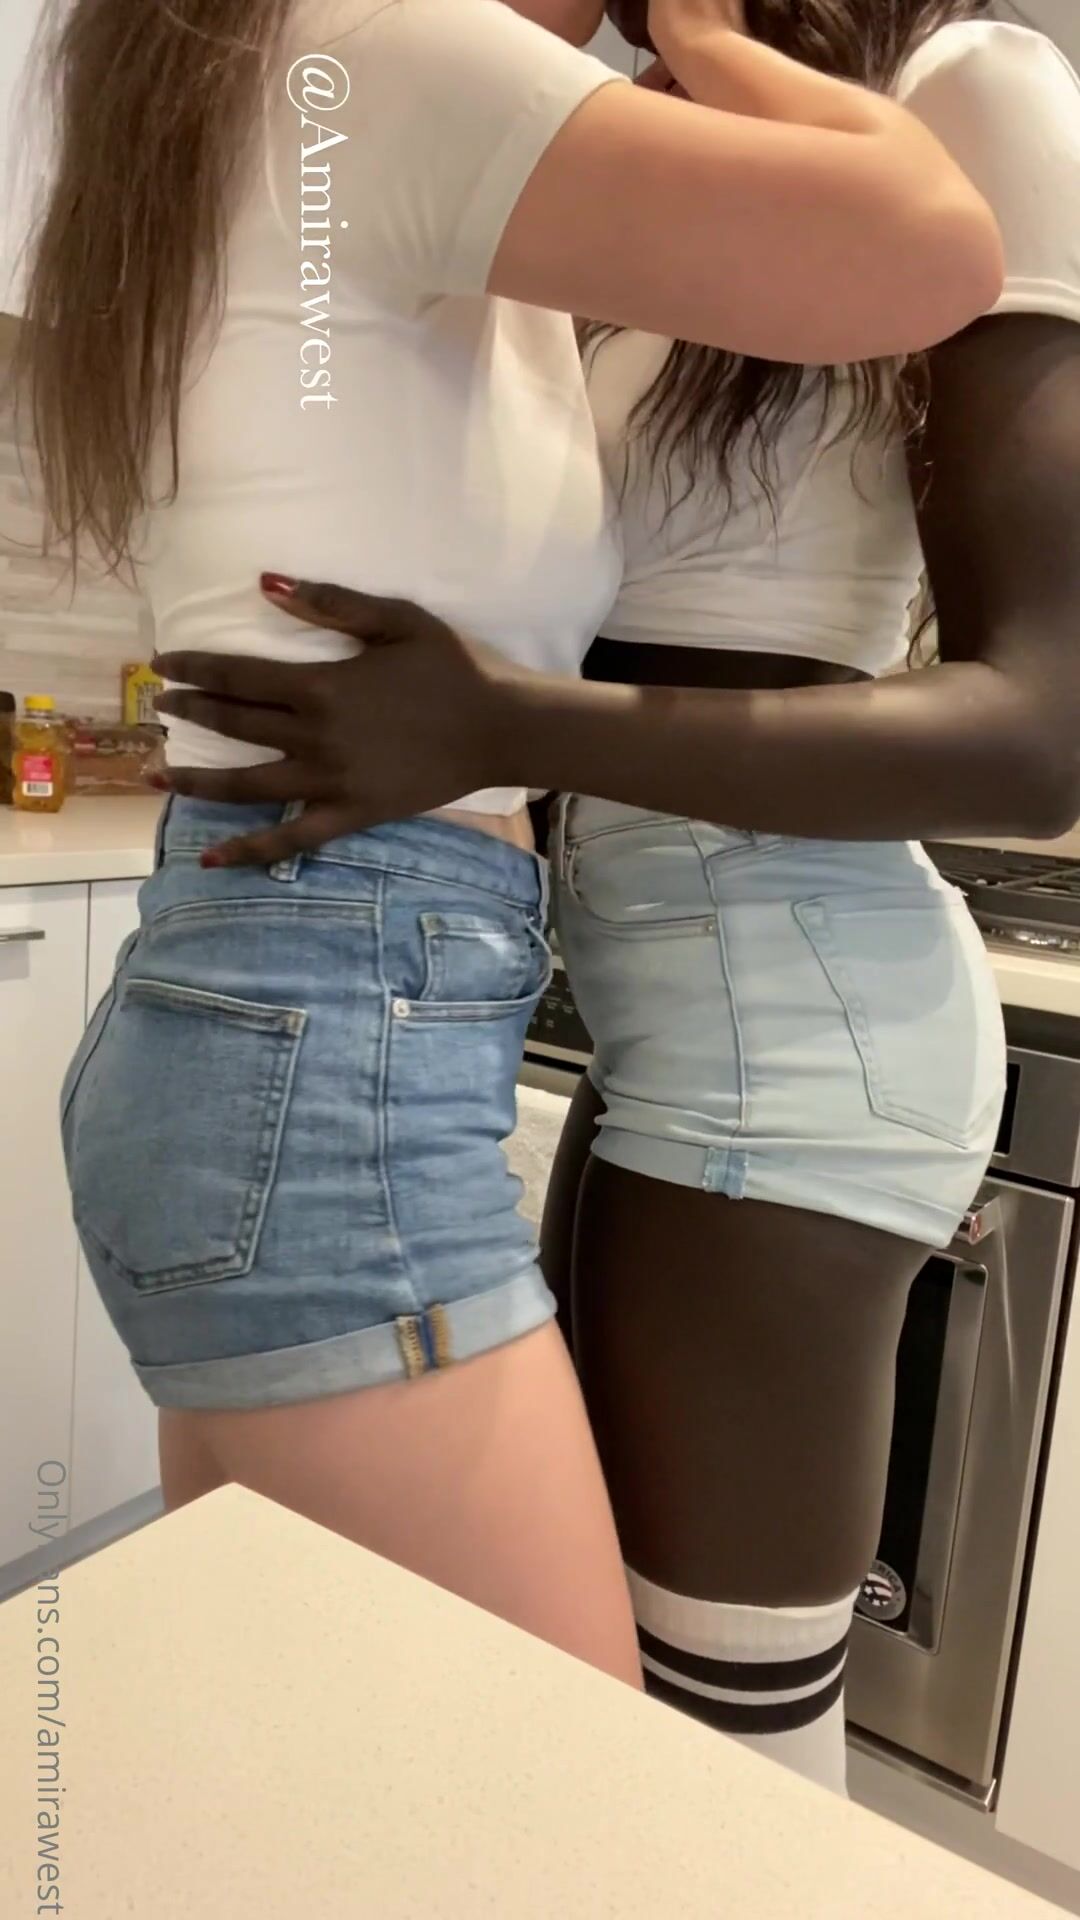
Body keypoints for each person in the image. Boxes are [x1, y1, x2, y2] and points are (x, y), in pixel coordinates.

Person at [147, 2, 1080, 1788]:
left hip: (799, 1038)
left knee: (714, 1774)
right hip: (656, 1017)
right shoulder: (684, 157)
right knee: (623, 1743)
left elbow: (1040, 739)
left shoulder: (971, 89)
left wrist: (495, 722)